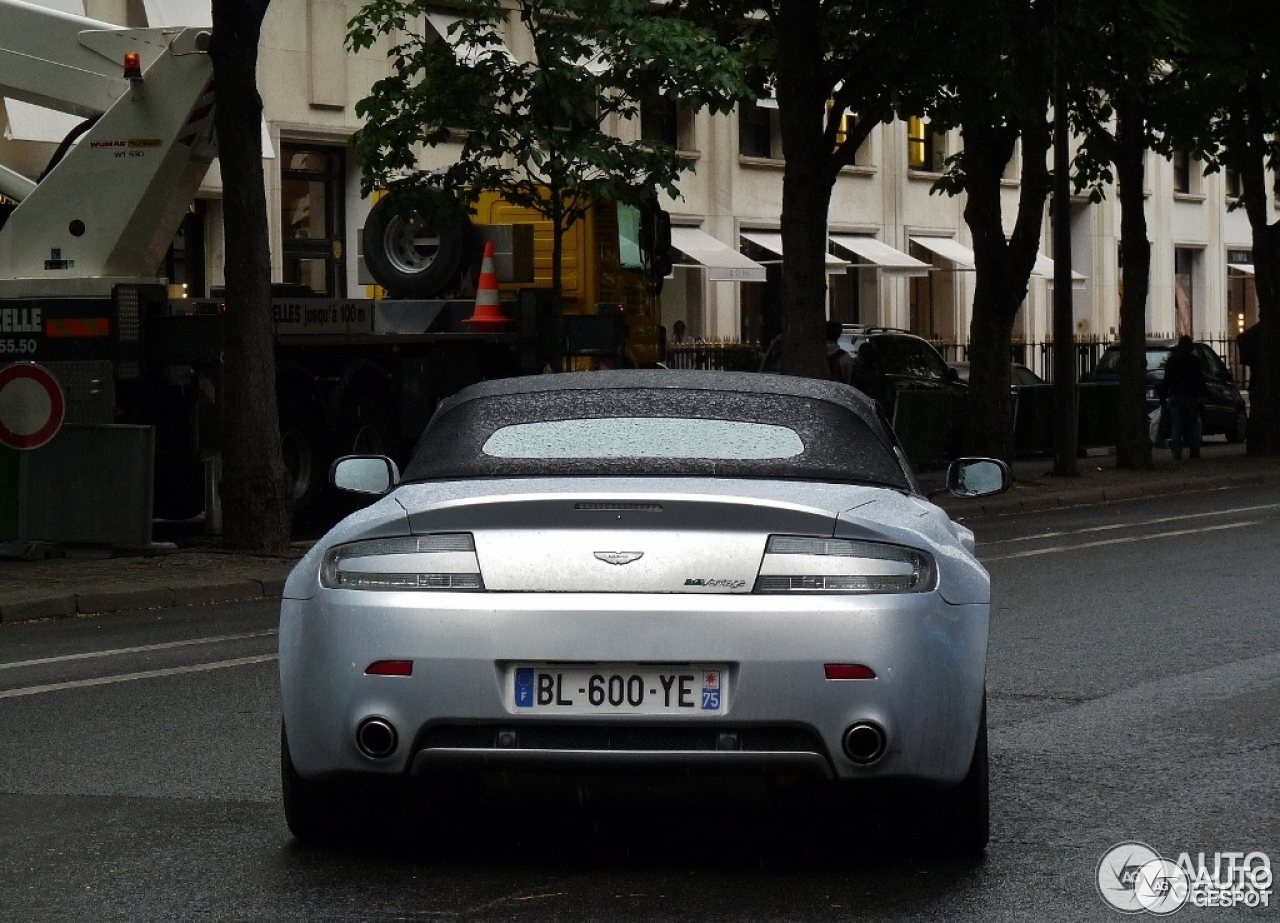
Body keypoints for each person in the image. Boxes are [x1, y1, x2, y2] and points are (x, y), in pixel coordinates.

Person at [1158, 335, 1209, 460]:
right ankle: (1194, 452)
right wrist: (1205, 394)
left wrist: (1163, 397)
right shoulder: (1194, 361)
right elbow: (1200, 380)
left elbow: (1166, 380)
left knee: (1176, 425)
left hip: (1175, 395)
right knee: (1192, 425)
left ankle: (1176, 454)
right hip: (1191, 396)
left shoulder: (1172, 360)